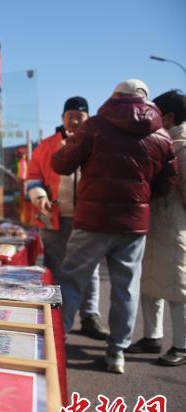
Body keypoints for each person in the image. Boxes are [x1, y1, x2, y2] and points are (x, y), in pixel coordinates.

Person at [51, 79, 178, 374]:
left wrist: (64, 150)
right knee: (126, 289)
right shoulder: (161, 136)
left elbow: (62, 165)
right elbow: (166, 185)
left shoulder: (95, 126)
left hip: (92, 220)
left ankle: (57, 343)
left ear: (116, 96)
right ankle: (116, 353)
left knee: (72, 281)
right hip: (133, 225)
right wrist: (139, 199)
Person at [26, 96, 106, 339]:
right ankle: (55, 317)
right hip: (55, 217)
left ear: (88, 118)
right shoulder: (47, 145)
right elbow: (33, 177)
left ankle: (90, 316)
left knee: (91, 269)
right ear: (62, 118)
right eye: (70, 115)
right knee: (55, 268)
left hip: (88, 218)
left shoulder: (98, 144)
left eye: (79, 116)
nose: (74, 120)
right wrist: (39, 196)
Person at [128, 90, 186, 366]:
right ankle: (152, 337)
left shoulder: (182, 147)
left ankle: (182, 346)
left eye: (156, 113)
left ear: (169, 117)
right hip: (155, 224)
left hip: (174, 225)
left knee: (177, 285)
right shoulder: (163, 142)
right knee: (150, 283)